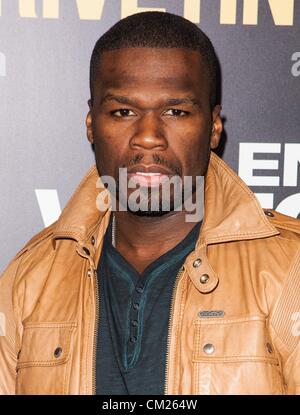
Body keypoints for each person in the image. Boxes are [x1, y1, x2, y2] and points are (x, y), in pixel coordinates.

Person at [0, 11, 299, 395]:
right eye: (123, 112)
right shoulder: (30, 280)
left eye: (175, 111)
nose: (148, 136)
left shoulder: (290, 271)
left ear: (213, 127)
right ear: (92, 124)